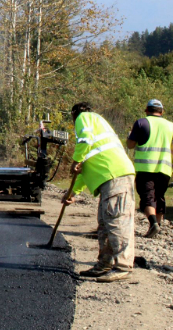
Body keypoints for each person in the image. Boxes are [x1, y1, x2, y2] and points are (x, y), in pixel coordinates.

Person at [63, 102, 136, 282]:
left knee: (117, 221)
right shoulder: (95, 126)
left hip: (115, 175)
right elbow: (83, 170)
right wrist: (72, 193)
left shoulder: (84, 118)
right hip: (109, 177)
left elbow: (84, 141)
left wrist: (75, 160)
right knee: (105, 222)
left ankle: (123, 266)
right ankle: (105, 264)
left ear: (74, 114)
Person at [126, 99, 173, 238]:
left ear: (146, 110)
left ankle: (153, 224)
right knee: (159, 196)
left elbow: (130, 145)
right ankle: (158, 225)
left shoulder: (141, 123)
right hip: (165, 168)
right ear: (162, 111)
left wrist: (130, 136)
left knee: (147, 196)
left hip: (146, 167)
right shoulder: (170, 125)